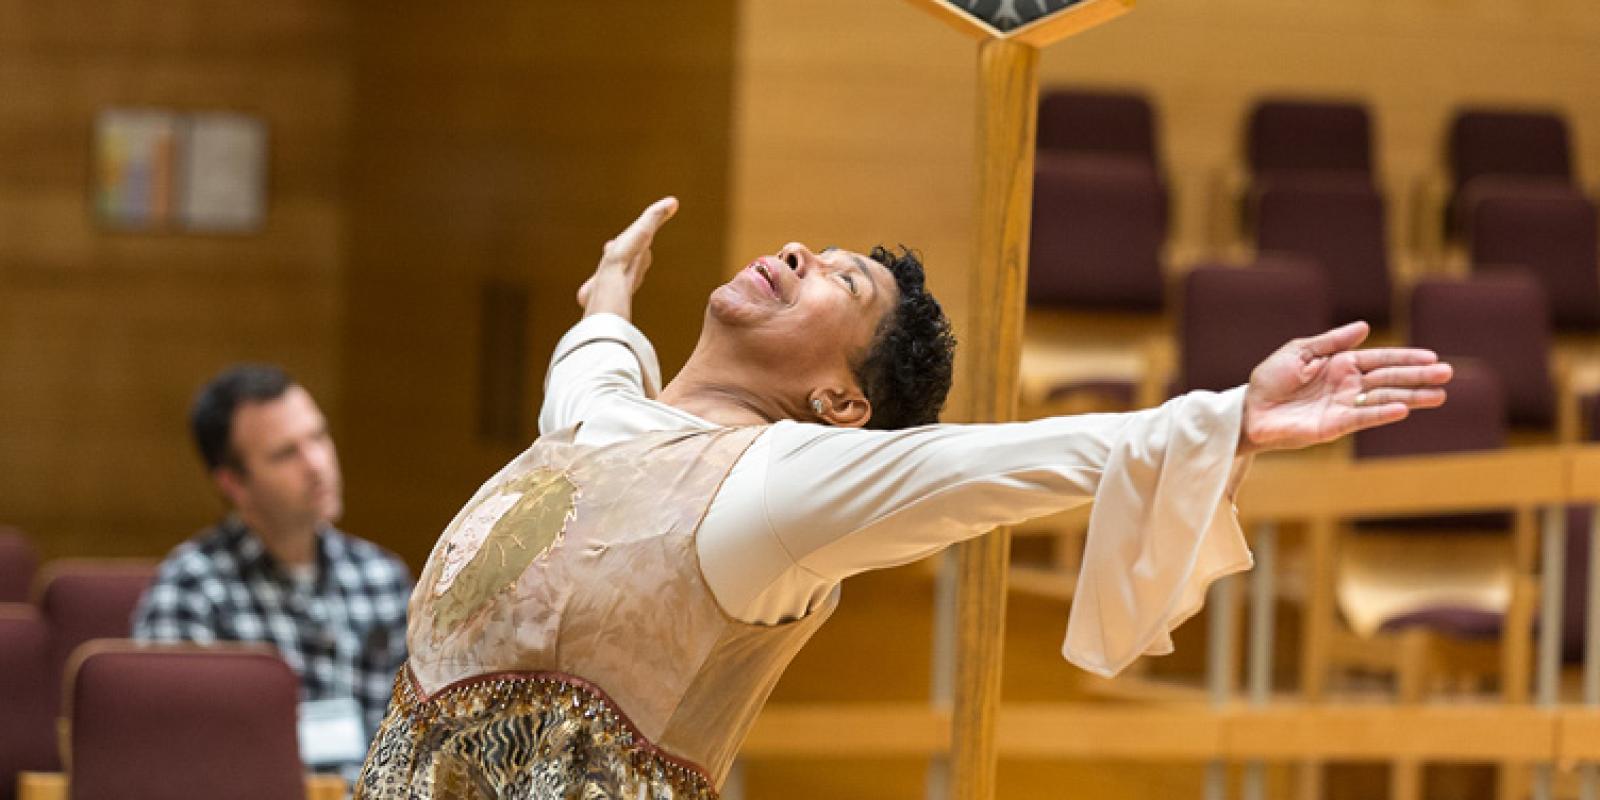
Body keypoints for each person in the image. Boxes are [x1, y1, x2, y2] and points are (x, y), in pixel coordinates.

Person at [354, 198, 1451, 799]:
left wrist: (1229, 418)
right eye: (816, 248)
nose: (794, 251)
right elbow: (589, 366)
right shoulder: (597, 419)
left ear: (840, 399)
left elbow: (1009, 458)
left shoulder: (784, 485)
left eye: (840, 278)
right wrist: (607, 295)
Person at [133, 365, 412, 777]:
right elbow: (180, 766)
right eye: (286, 453)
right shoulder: (192, 592)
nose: (316, 464)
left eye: (318, 437)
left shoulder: (381, 578)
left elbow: (423, 744)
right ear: (233, 484)